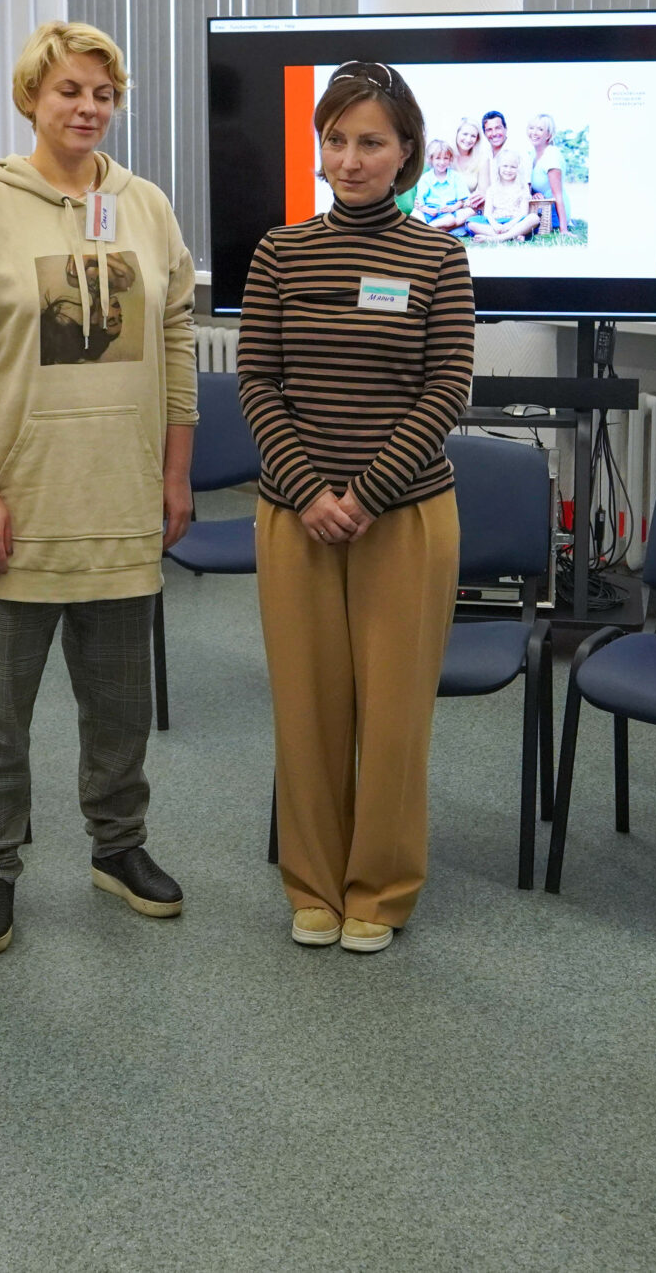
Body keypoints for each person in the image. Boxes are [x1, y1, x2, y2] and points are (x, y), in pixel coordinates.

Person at [0, 20, 199, 956]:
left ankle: (118, 846)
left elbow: (175, 345)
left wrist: (175, 473)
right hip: (18, 503)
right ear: (31, 99)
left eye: (103, 93)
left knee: (120, 707)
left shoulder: (146, 207)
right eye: (69, 90)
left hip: (121, 500)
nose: (87, 107)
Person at [240, 61, 475, 953]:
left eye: (371, 141)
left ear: (406, 150)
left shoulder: (439, 257)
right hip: (294, 516)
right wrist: (308, 490)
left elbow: (446, 388)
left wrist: (368, 493)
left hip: (404, 518)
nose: (350, 158)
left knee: (393, 714)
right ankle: (312, 883)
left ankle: (379, 888)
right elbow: (257, 380)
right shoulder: (280, 251)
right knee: (306, 709)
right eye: (335, 139)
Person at [471, 150, 542, 243]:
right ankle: (513, 236)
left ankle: (496, 238)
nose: (508, 170)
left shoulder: (523, 187)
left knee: (534, 218)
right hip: (496, 223)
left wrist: (510, 225)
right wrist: (495, 225)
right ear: (498, 167)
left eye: (513, 167)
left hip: (516, 222)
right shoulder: (492, 189)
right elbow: (487, 213)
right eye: (505, 166)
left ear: (518, 169)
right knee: (471, 223)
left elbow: (523, 213)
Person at [414, 134, 475, 235]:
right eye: (438, 158)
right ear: (431, 159)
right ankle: (434, 229)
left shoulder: (456, 177)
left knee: (469, 212)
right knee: (415, 215)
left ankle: (429, 229)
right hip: (430, 212)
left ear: (450, 159)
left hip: (449, 213)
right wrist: (428, 210)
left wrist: (452, 208)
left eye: (445, 158)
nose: (442, 162)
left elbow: (461, 201)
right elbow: (419, 204)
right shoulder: (425, 178)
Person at [526, 114, 570, 231]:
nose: (534, 132)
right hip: (540, 208)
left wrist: (563, 229)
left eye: (540, 129)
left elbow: (558, 195)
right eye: (531, 128)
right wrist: (534, 194)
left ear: (549, 135)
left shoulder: (551, 156)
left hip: (553, 214)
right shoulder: (532, 154)